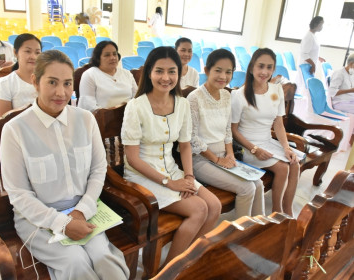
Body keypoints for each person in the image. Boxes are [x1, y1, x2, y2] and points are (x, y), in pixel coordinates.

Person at [0, 50, 129, 280]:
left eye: (68, 84)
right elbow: (18, 194)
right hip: (38, 218)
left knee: (104, 259)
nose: (61, 93)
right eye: (52, 82)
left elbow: (98, 170)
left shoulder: (85, 119)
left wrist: (81, 210)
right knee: (75, 263)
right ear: (35, 82)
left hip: (84, 210)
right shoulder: (15, 130)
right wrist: (61, 222)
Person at [121, 46, 221, 266]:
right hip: (142, 176)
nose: (165, 77)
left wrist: (188, 176)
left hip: (173, 171)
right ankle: (169, 271)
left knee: (215, 206)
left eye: (172, 71)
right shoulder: (136, 107)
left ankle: (184, 261)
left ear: (179, 73)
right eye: (159, 71)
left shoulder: (182, 104)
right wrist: (170, 183)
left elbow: (185, 145)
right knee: (199, 209)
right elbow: (133, 159)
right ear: (149, 72)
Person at [188, 49, 265, 219]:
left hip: (224, 156)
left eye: (228, 72)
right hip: (202, 160)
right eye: (218, 70)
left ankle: (260, 226)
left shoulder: (225, 95)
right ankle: (241, 234)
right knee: (247, 188)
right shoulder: (194, 98)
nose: (223, 76)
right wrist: (217, 160)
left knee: (258, 183)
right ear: (207, 71)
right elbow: (192, 139)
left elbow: (227, 131)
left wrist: (230, 155)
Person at [231, 48, 300, 217]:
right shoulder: (239, 95)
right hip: (248, 146)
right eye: (260, 66)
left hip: (268, 141)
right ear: (251, 67)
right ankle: (276, 213)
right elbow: (233, 130)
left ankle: (288, 210)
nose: (264, 72)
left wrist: (286, 148)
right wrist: (254, 149)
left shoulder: (276, 91)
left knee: (295, 164)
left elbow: (278, 123)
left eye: (269, 67)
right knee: (283, 168)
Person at [78, 40, 137, 111]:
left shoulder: (127, 74)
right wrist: (110, 115)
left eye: (115, 54)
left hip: (129, 116)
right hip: (101, 119)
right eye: (107, 55)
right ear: (98, 58)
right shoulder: (90, 75)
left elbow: (137, 97)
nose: (113, 58)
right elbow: (88, 105)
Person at [0, 33, 41, 117]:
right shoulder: (4, 84)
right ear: (15, 52)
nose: (33, 57)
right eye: (28, 51)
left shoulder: (46, 80)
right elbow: (4, 123)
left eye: (37, 52)